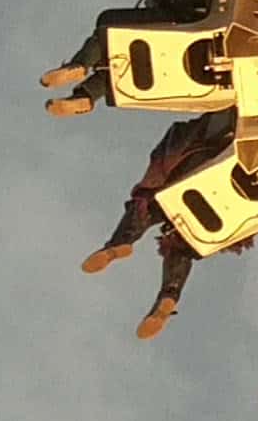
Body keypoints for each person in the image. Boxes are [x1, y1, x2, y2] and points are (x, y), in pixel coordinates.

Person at [79, 109, 245, 339]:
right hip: (225, 183)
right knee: (182, 237)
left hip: (194, 172)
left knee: (153, 209)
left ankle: (119, 243)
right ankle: (169, 294)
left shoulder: (200, 127)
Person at [40, 0, 216, 117]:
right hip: (186, 23)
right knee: (108, 25)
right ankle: (81, 76)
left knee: (113, 56)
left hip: (184, 39)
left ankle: (84, 88)